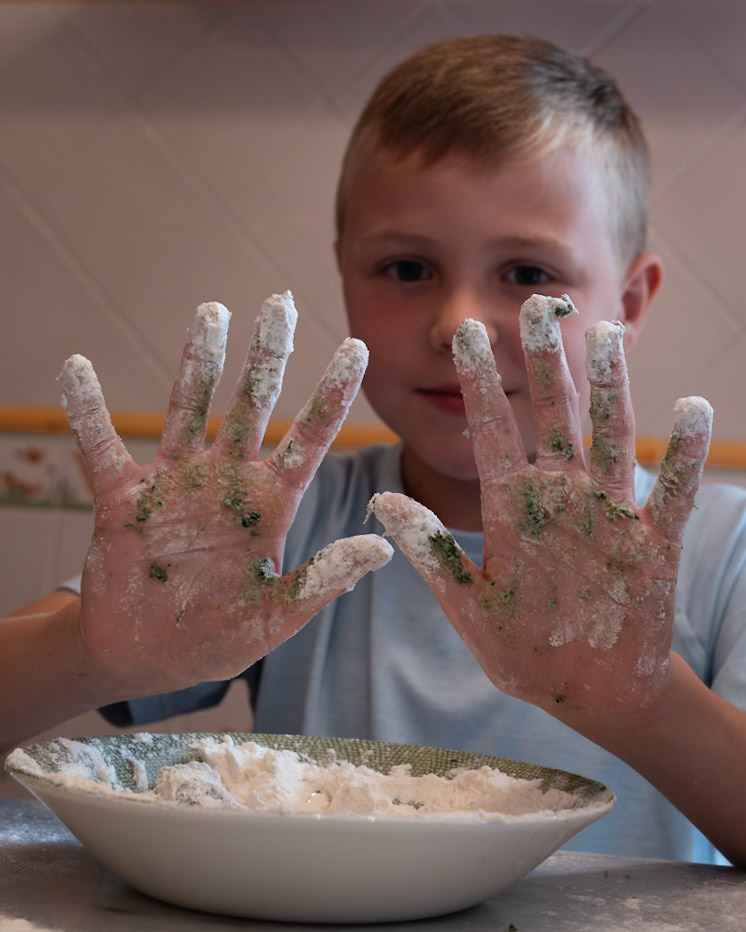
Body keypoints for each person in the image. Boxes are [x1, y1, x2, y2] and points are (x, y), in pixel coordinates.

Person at [2, 36, 745, 867]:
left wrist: (643, 705)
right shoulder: (291, 522)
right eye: (406, 268)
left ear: (631, 302)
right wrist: (87, 656)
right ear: (344, 278)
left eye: (528, 273)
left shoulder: (722, 551)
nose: (456, 324)